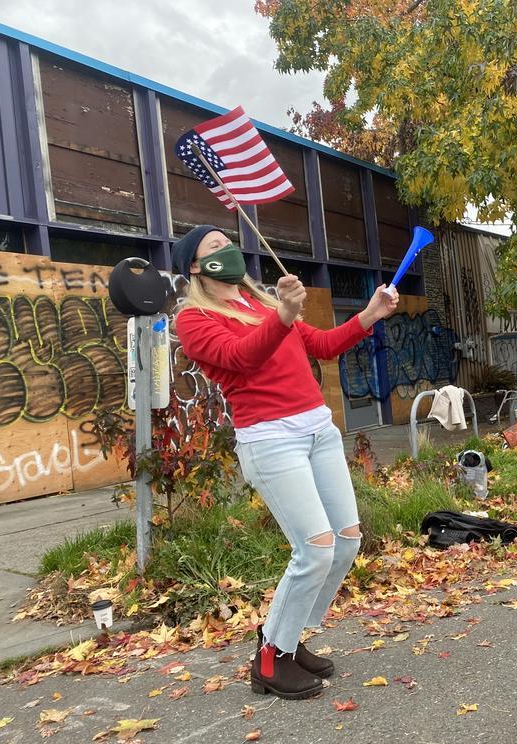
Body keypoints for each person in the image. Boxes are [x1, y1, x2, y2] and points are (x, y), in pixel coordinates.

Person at [172, 225, 398, 699]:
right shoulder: (193, 318)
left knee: (346, 542)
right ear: (195, 265)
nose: (229, 249)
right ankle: (271, 659)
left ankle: (287, 638)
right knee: (314, 548)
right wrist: (283, 314)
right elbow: (240, 358)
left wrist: (371, 314)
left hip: (318, 429)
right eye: (215, 246)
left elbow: (323, 345)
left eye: (228, 241)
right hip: (271, 439)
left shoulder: (259, 303)